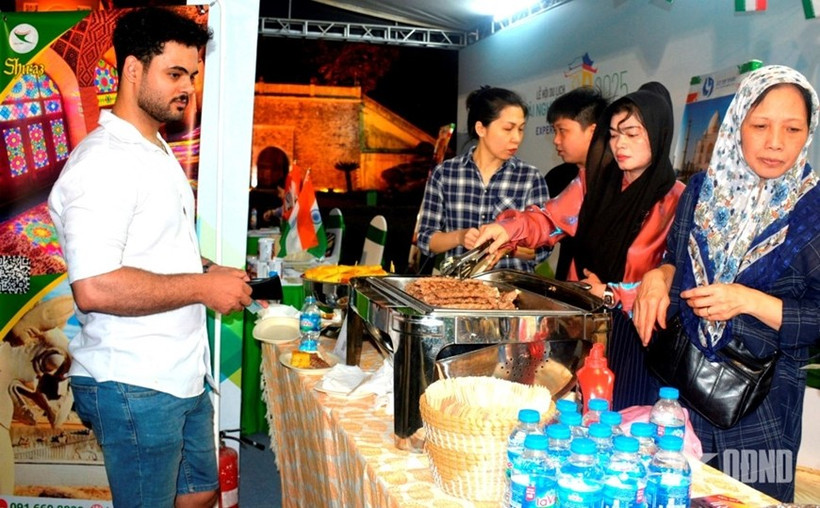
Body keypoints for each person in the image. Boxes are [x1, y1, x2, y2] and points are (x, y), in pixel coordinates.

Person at [48, 8, 252, 508]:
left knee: (201, 495)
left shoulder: (153, 149)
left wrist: (208, 270)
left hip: (180, 370)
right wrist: (203, 289)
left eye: (193, 76)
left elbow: (156, 246)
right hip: (133, 380)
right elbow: (95, 287)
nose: (188, 88)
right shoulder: (104, 162)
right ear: (134, 71)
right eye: (175, 74)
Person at [632, 65, 820, 501]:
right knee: (676, 494)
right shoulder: (703, 189)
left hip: (763, 410)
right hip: (682, 392)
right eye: (760, 126)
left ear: (808, 132)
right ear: (737, 124)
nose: (775, 142)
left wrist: (748, 300)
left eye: (793, 128)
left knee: (750, 499)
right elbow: (675, 260)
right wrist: (656, 278)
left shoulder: (812, 211)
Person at [471, 82, 685, 409]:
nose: (619, 144)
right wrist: (507, 229)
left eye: (631, 134)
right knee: (568, 412)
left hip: (635, 336)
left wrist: (613, 293)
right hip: (581, 320)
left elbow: (677, 278)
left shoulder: (676, 201)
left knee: (621, 420)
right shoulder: (594, 181)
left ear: (659, 133)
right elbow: (549, 219)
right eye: (613, 134)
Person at [416, 86, 551, 273]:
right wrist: (460, 237)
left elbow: (542, 248)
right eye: (508, 129)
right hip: (458, 291)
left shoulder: (529, 178)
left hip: (512, 290)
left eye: (520, 129)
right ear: (481, 128)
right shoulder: (445, 174)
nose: (516, 138)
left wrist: (506, 247)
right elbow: (426, 239)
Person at [545, 86, 608, 279]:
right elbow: (543, 225)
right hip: (566, 286)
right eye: (554, 131)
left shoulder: (618, 181)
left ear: (592, 131)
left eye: (562, 131)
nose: (556, 140)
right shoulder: (556, 178)